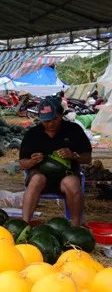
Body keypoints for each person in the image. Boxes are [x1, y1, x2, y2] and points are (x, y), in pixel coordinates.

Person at [20, 97, 92, 227]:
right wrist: (32, 161)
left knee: (72, 181)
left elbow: (87, 158)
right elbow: (22, 164)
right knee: (36, 179)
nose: (50, 124)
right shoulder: (32, 134)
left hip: (66, 176)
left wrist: (73, 155)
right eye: (46, 121)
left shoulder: (74, 130)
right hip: (41, 179)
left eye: (54, 119)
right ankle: (24, 223)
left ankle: (76, 226)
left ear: (61, 115)